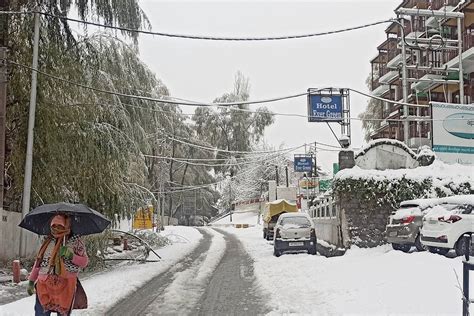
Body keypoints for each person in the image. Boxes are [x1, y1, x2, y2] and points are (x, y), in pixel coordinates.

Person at [27, 214, 89, 316]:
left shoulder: (76, 242)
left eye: (59, 226)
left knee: (63, 313)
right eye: (53, 226)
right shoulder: (47, 241)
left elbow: (84, 262)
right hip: (44, 284)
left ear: (66, 226)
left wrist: (71, 256)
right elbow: (38, 263)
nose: (56, 229)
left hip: (66, 285)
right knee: (40, 313)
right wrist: (31, 281)